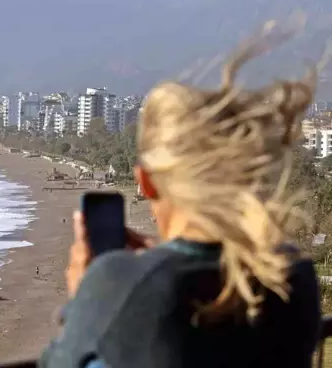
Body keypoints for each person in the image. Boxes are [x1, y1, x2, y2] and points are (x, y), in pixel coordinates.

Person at [40, 32, 322, 368]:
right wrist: (156, 261)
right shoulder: (291, 276)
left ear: (145, 181)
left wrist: (84, 299)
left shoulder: (120, 282)